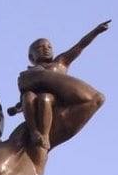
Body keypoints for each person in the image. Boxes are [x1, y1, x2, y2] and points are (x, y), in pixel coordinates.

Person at [7, 21, 110, 151]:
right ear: (31, 56)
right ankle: (34, 132)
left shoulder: (60, 62)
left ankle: (44, 135)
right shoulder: (28, 73)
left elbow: (80, 46)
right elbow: (24, 97)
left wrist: (95, 32)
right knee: (28, 96)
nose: (46, 49)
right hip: (34, 102)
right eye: (40, 47)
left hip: (55, 100)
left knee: (45, 98)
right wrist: (18, 108)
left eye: (49, 47)